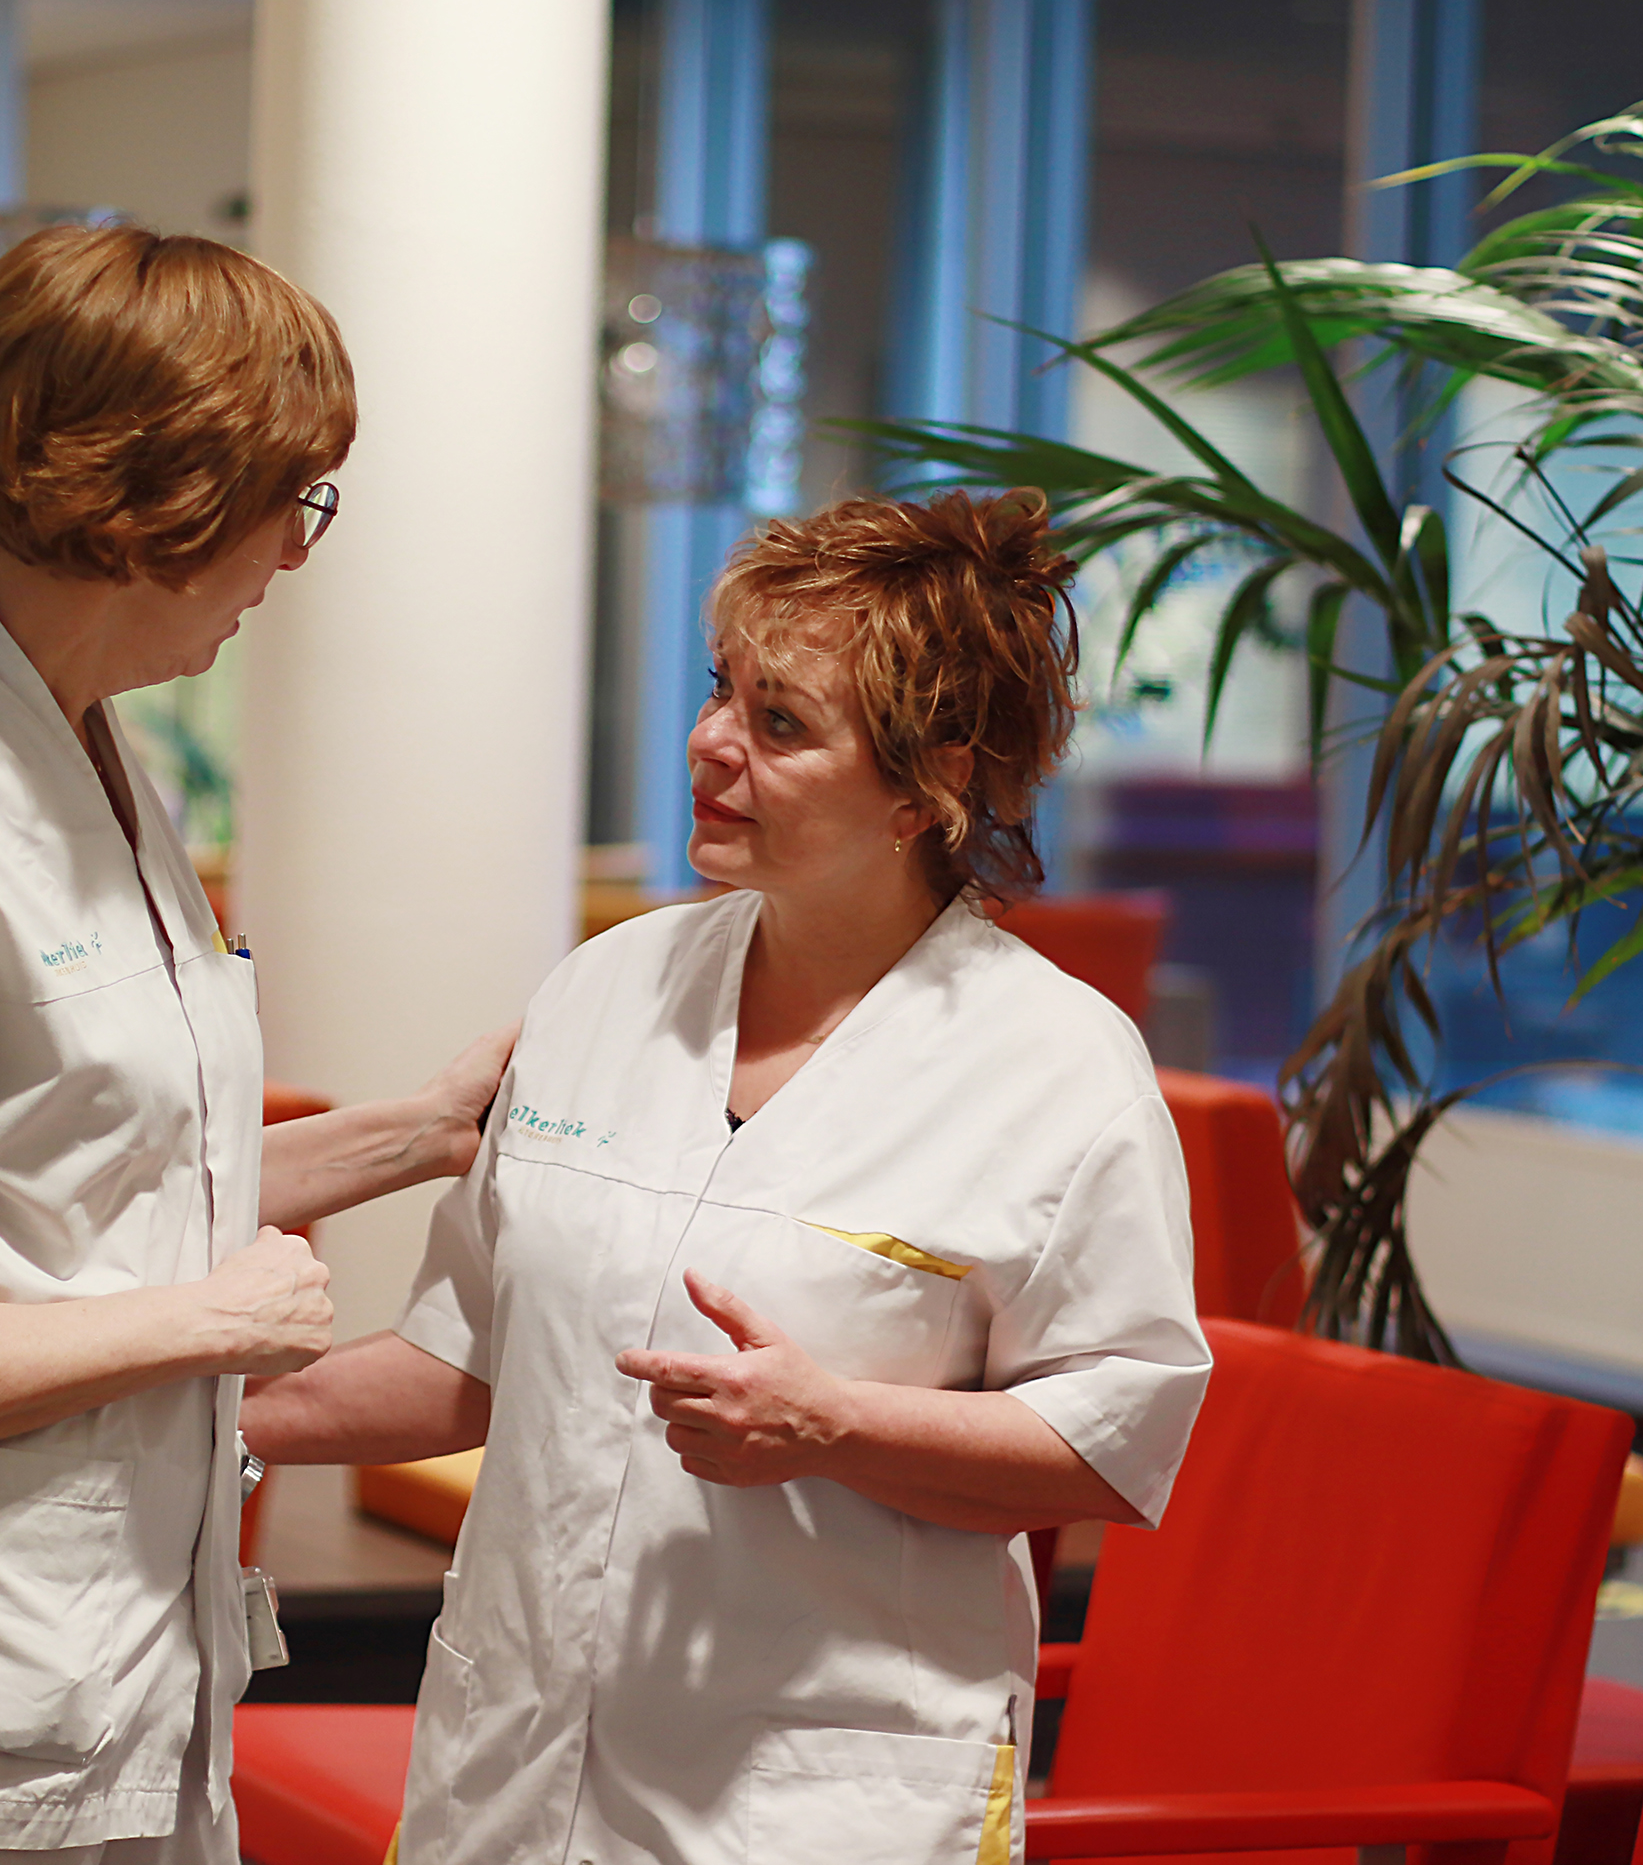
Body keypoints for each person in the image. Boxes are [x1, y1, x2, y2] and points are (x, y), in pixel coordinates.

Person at [0, 224, 507, 1865]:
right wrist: (208, 1317)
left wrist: (423, 1128)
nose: (295, 551)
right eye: (292, 498)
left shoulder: (103, 759)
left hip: (115, 1643)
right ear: (164, 495)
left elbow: (72, 1180)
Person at [244, 491, 1214, 1864]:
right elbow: (473, 1357)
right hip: (511, 1770)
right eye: (722, 693)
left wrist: (835, 1427)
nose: (709, 745)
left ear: (928, 784)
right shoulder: (608, 987)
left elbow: (1113, 1445)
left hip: (815, 1797)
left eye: (780, 723)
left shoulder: (1055, 1066)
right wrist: (218, 1415)